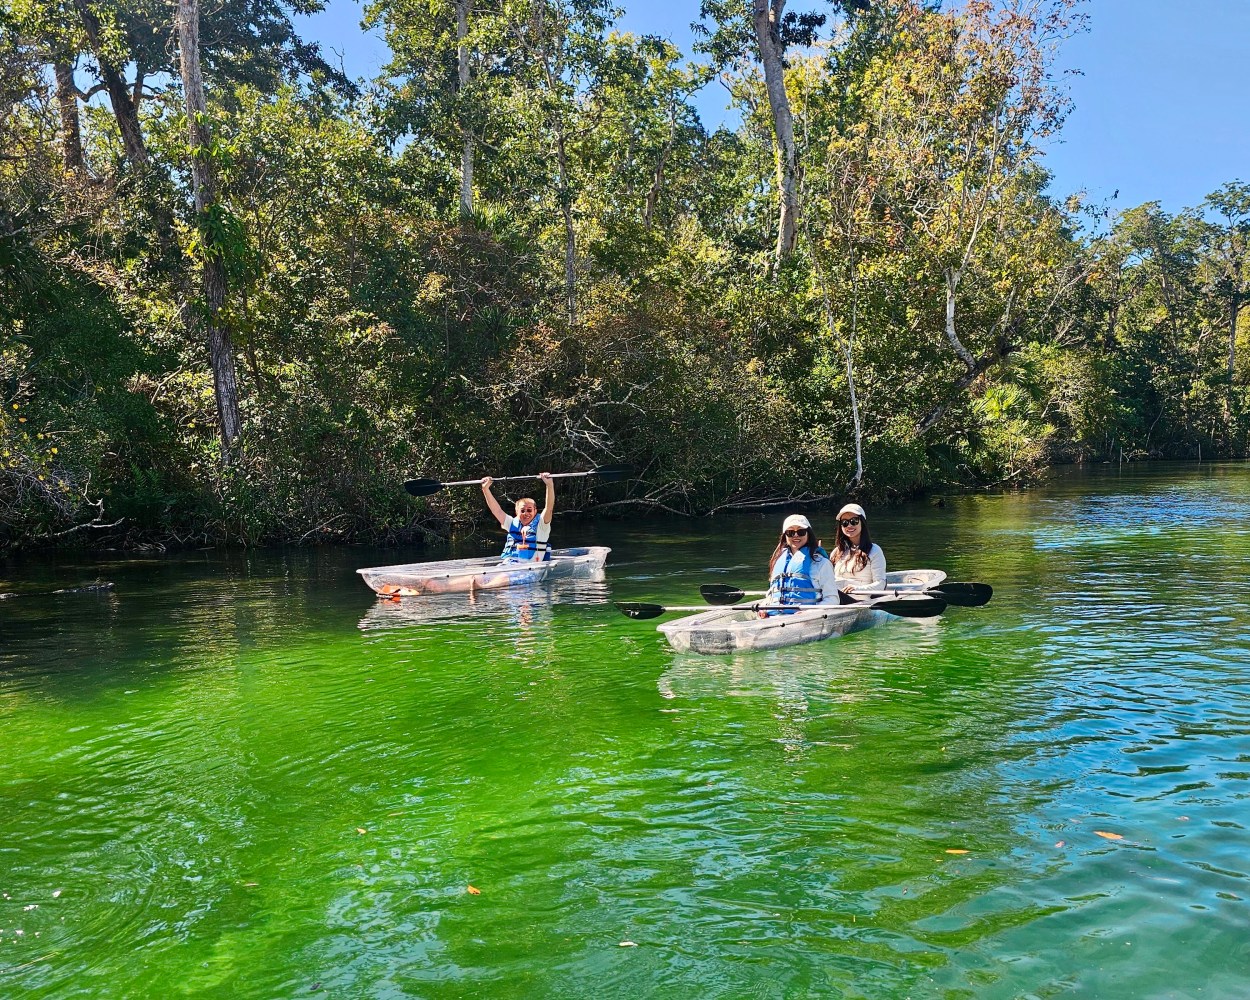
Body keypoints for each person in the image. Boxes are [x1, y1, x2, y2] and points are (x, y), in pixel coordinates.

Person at [762, 514, 840, 615]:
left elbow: (833, 599)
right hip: (774, 618)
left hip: (805, 619)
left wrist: (810, 612)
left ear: (808, 534)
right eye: (790, 532)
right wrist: (763, 608)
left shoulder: (822, 563)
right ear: (785, 536)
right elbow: (771, 594)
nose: (795, 535)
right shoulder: (777, 561)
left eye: (801, 531)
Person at [481, 472, 555, 562]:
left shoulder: (542, 525)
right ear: (516, 512)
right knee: (473, 577)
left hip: (529, 570)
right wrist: (485, 489)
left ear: (535, 511)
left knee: (502, 577)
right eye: (522, 511)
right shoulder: (512, 523)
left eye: (529, 510)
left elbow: (549, 508)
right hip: (508, 565)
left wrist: (549, 485)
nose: (526, 513)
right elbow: (496, 510)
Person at [830, 503, 886, 592]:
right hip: (837, 598)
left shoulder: (875, 550)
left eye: (854, 521)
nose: (849, 525)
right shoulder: (836, 552)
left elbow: (881, 584)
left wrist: (857, 589)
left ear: (862, 523)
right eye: (844, 523)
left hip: (860, 600)